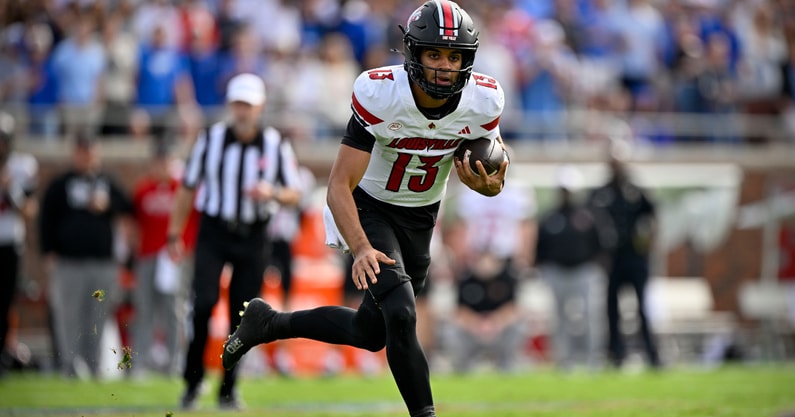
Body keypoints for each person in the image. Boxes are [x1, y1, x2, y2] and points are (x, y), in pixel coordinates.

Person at [221, 2, 508, 417]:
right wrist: (359, 247)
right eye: (434, 54)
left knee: (370, 332)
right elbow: (339, 185)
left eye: (454, 56)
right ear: (413, 54)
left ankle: (268, 323)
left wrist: (494, 184)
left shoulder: (483, 99)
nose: (445, 66)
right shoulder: (381, 93)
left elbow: (497, 158)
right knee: (403, 313)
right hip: (369, 207)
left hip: (421, 217)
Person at [166, 73, 303, 410]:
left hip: (254, 235)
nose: (243, 111)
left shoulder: (275, 144)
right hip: (214, 231)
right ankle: (192, 381)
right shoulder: (209, 139)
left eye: (248, 105)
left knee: (243, 318)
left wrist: (270, 192)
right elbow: (188, 187)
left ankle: (228, 387)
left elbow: (295, 193)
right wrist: (174, 233)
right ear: (230, 106)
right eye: (238, 104)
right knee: (202, 304)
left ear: (259, 107)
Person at [39, 133, 133, 378]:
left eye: (91, 152)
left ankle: (93, 365)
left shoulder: (108, 181)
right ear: (75, 154)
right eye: (82, 152)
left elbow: (127, 207)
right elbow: (46, 218)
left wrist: (107, 205)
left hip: (102, 263)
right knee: (69, 315)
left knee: (97, 316)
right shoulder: (61, 184)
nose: (87, 157)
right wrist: (48, 251)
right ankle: (70, 365)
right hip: (69, 262)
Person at [588, 147, 661, 370]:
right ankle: (616, 355)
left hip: (636, 257)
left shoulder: (636, 190)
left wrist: (649, 245)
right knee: (612, 309)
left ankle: (652, 356)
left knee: (642, 308)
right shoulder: (601, 193)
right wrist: (598, 253)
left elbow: (654, 217)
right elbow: (590, 224)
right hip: (612, 259)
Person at [536, 166, 610, 371]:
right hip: (557, 272)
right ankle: (563, 361)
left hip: (584, 271)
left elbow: (601, 243)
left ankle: (593, 359)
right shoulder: (550, 217)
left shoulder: (588, 215)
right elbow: (540, 248)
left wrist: (597, 268)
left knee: (590, 316)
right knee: (559, 318)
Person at [129, 141, 186, 377]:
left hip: (173, 258)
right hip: (147, 256)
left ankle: (173, 362)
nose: (162, 166)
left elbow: (191, 221)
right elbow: (134, 224)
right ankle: (140, 363)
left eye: (166, 161)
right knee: (144, 308)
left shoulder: (181, 189)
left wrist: (184, 248)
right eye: (159, 161)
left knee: (173, 309)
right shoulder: (143, 190)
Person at [0, 113, 38, 375]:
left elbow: (29, 210)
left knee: (6, 301)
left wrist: (10, 190)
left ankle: (4, 353)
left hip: (10, 241)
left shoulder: (22, 165)